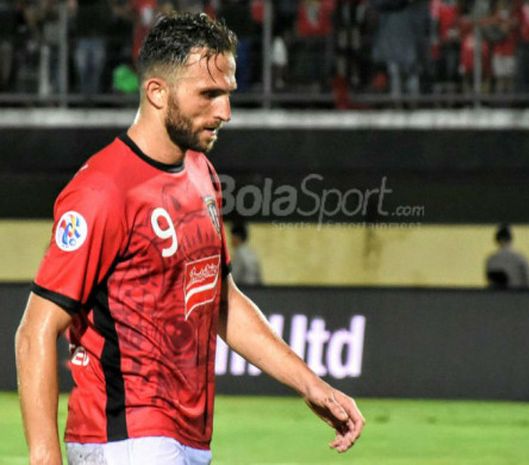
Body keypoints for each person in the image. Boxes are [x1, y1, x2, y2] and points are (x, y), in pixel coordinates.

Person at [14, 12, 364, 465]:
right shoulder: (103, 190)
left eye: (227, 94)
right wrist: (45, 458)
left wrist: (309, 383)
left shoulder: (201, 173)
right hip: (125, 436)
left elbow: (222, 301)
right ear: (156, 92)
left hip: (188, 437)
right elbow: (35, 330)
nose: (225, 112)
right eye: (209, 94)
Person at [485, 224, 529, 290]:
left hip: (498, 298)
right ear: (511, 238)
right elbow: (528, 283)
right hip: (518, 297)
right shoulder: (521, 259)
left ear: (497, 239)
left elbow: (490, 285)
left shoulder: (491, 260)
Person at [230, 221, 263, 286]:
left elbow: (234, 277)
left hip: (245, 289)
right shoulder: (251, 252)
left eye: (232, 237)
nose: (231, 240)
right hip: (256, 289)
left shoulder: (239, 253)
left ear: (237, 237)